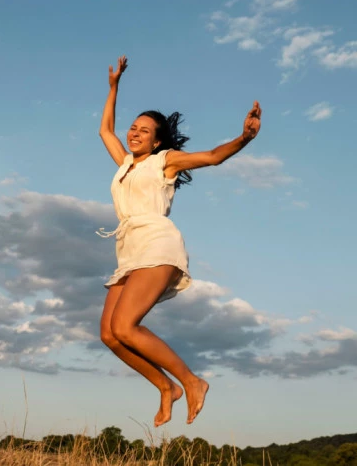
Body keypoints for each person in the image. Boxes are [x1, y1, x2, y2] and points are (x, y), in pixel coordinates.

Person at [97, 55, 261, 427]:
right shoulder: (125, 164)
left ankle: (191, 380)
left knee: (125, 327)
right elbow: (105, 130)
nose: (134, 133)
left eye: (144, 131)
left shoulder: (165, 161)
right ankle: (166, 387)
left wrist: (245, 138)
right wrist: (114, 87)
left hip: (157, 243)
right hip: (129, 248)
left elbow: (213, 157)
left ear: (157, 141)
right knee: (110, 334)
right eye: (133, 128)